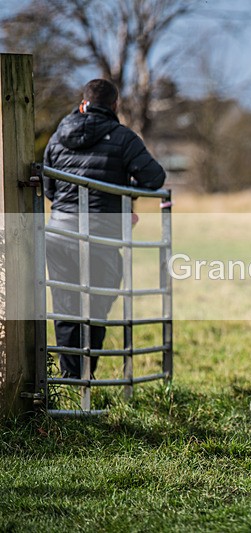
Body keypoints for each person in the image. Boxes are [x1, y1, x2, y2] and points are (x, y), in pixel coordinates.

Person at [43, 79, 166, 380]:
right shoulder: (124, 138)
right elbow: (155, 178)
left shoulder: (57, 138)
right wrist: (121, 190)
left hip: (60, 232)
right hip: (102, 234)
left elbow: (48, 188)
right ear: (114, 105)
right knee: (97, 303)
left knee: (65, 304)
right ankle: (85, 374)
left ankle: (71, 378)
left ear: (83, 103)